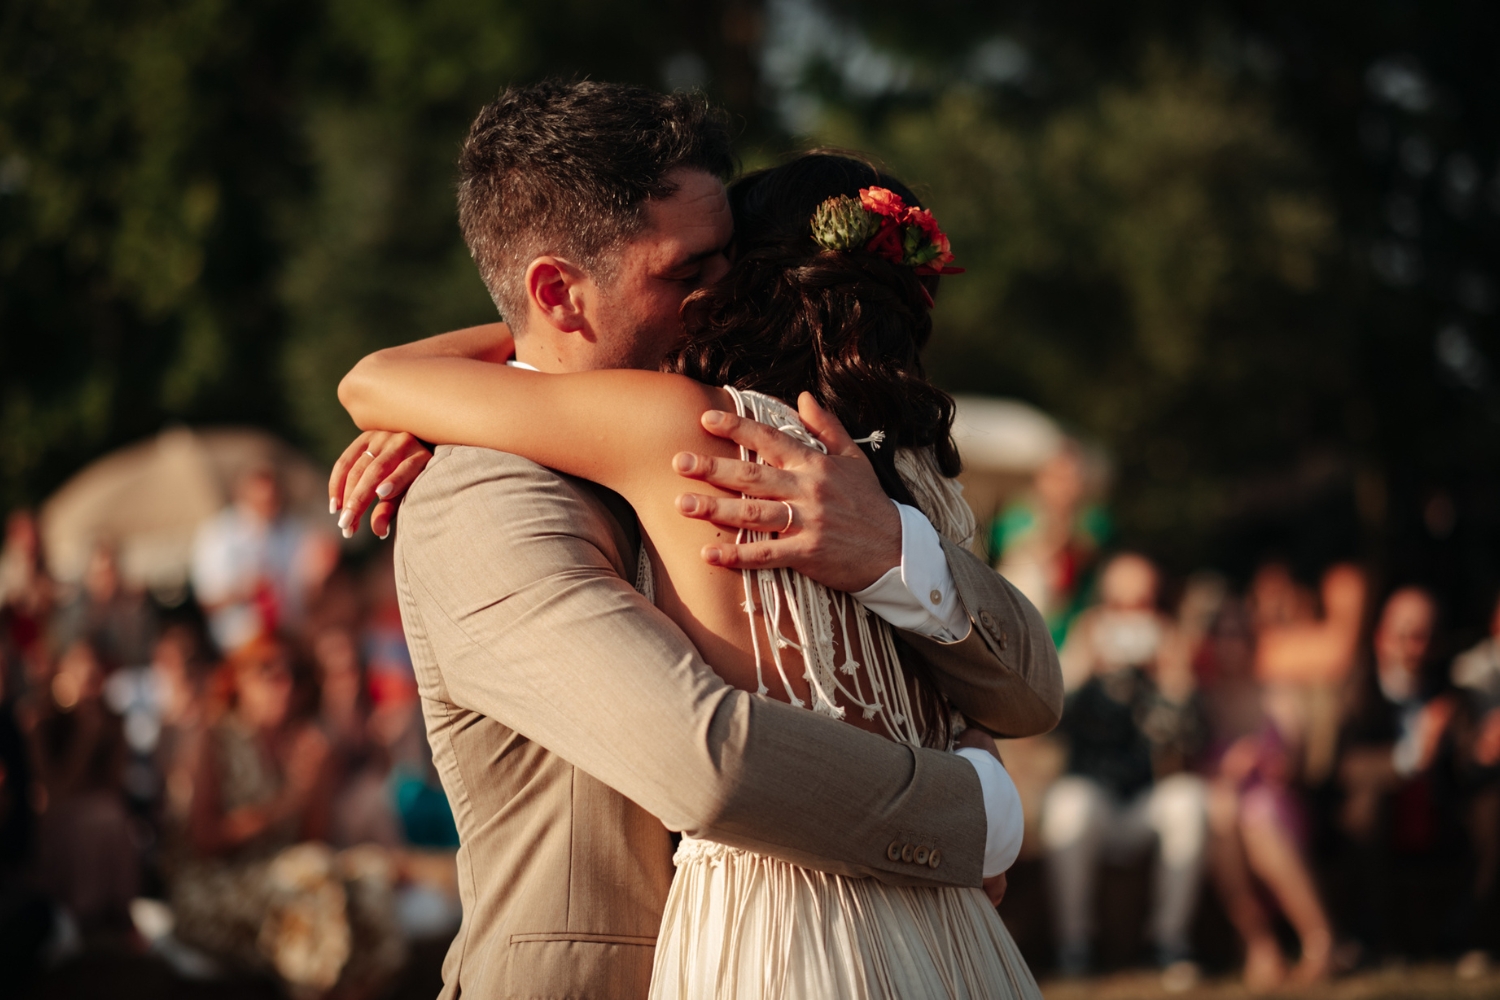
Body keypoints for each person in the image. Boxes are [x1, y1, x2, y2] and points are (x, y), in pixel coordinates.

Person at [331, 81, 1061, 999]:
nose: (724, 300)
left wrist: (891, 553)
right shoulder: (480, 491)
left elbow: (1028, 680)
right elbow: (709, 761)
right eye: (688, 273)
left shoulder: (805, 455)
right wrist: (976, 812)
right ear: (557, 292)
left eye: (739, 267)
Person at [169, 636, 404, 996]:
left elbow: (313, 841)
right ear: (239, 679)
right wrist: (285, 804)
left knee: (371, 876)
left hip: (289, 876)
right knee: (313, 879)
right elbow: (204, 840)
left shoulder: (305, 743)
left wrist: (316, 785)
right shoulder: (215, 737)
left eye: (295, 673)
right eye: (267, 670)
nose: (284, 683)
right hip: (214, 884)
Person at [1038, 552, 1208, 981]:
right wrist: (1080, 664)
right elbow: (1048, 721)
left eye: (1143, 605)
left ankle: (1169, 941)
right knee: (1067, 806)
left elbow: (1188, 739)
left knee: (1190, 800)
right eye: (1121, 605)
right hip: (1094, 797)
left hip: (1146, 798)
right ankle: (1074, 944)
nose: (1133, 616)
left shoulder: (1168, 657)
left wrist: (1174, 678)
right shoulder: (1086, 645)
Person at [1337, 586, 1455, 961]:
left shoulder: (1448, 693)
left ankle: (1460, 936)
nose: (1411, 647)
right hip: (1374, 814)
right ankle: (1370, 936)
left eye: (1422, 637)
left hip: (1439, 808)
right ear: (1380, 638)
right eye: (1402, 635)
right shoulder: (1357, 693)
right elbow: (1345, 767)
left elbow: (1466, 761)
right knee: (1366, 809)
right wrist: (1412, 757)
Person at [191, 466, 328, 654]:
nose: (268, 503)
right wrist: (246, 590)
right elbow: (207, 601)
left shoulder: (294, 531)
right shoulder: (219, 534)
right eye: (261, 499)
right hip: (240, 646)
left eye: (272, 498)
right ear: (242, 495)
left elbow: (307, 594)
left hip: (289, 641)